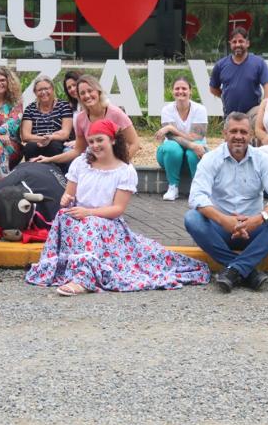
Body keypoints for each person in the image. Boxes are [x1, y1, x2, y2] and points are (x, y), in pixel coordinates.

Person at [26, 120, 210, 296]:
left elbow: (117, 209)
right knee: (63, 216)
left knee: (91, 225)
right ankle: (64, 268)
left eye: (100, 140)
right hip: (79, 217)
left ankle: (83, 279)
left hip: (106, 222)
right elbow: (69, 197)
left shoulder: (124, 171)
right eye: (91, 141)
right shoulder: (80, 163)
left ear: (113, 140)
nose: (95, 145)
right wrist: (66, 199)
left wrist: (89, 213)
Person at [184, 112, 268, 293]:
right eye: (233, 131)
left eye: (243, 132)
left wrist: (258, 219)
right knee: (192, 218)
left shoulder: (262, 159)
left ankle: (232, 270)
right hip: (221, 230)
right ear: (225, 133)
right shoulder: (211, 159)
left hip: (254, 229)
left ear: (250, 135)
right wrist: (224, 220)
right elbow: (196, 196)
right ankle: (247, 271)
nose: (238, 136)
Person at [32, 75, 140, 166]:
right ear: (79, 97)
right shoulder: (80, 118)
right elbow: (77, 151)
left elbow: (135, 143)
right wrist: (49, 159)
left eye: (90, 91)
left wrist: (118, 164)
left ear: (98, 92)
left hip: (117, 163)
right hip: (93, 164)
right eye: (82, 93)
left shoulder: (116, 113)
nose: (87, 96)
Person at [155, 76, 208, 201]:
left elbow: (196, 137)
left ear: (190, 91)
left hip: (195, 157)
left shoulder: (200, 109)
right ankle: (173, 187)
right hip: (170, 159)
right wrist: (191, 144)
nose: (180, 91)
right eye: (177, 88)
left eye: (184, 88)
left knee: (196, 148)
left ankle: (198, 190)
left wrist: (172, 129)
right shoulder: (167, 110)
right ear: (172, 91)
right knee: (171, 147)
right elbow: (172, 139)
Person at [209, 26, 268, 117]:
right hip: (230, 114)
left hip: (253, 113)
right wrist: (225, 96)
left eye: (241, 41)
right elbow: (213, 88)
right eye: (234, 42)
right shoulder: (220, 65)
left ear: (247, 43)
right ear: (230, 44)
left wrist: (265, 107)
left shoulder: (258, 63)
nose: (237, 45)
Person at [20, 75, 74, 163]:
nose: (43, 92)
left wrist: (51, 138)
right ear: (35, 92)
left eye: (46, 88)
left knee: (54, 146)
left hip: (57, 142)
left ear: (52, 89)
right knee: (30, 147)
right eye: (40, 90)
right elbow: (25, 136)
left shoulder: (64, 106)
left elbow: (65, 133)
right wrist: (42, 139)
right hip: (35, 142)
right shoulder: (30, 109)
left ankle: (55, 174)